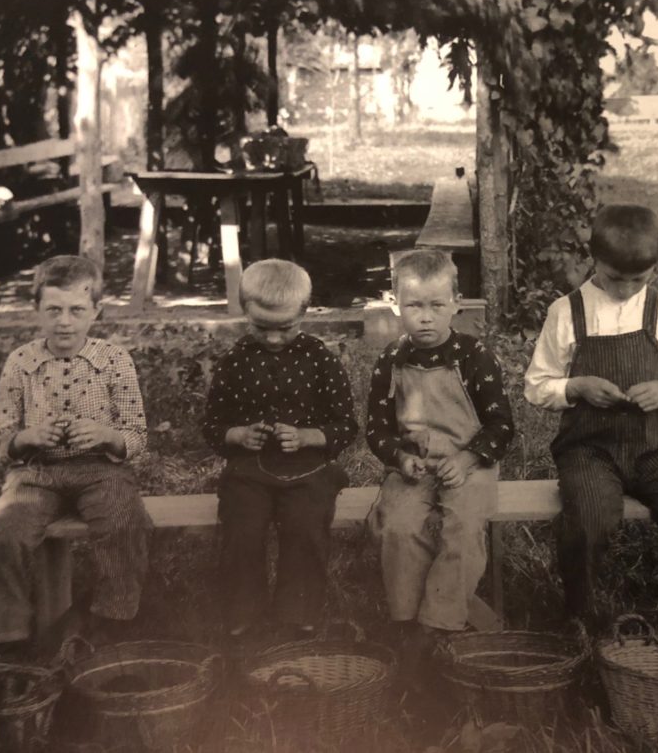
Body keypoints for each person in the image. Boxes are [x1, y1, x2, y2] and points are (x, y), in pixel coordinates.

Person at [524, 204, 658, 632]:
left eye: (640, 279)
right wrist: (575, 387)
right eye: (616, 278)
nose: (627, 289)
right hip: (590, 449)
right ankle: (581, 615)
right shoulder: (567, 311)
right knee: (590, 521)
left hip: (657, 446)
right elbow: (537, 384)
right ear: (593, 258)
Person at [0, 255, 151, 654]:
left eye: (77, 310)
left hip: (101, 470)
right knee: (4, 532)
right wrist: (26, 438)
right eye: (54, 310)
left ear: (95, 311)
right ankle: (8, 631)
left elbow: (136, 434)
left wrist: (106, 435)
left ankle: (113, 618)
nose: (64, 321)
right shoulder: (21, 362)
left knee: (124, 520)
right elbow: (0, 438)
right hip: (36, 473)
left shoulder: (114, 361)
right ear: (37, 310)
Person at [366, 249, 514, 660]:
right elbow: (376, 429)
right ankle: (406, 621)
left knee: (463, 527)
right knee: (396, 524)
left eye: (436, 305)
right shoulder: (391, 360)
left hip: (470, 463)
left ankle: (438, 625)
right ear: (395, 305)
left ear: (457, 305)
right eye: (414, 306)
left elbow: (502, 425)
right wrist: (398, 457)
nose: (425, 317)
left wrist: (468, 459)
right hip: (414, 465)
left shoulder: (473, 357)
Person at [202, 260, 356, 641]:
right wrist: (237, 435)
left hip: (308, 470)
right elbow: (212, 425)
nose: (272, 339)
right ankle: (243, 618)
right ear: (244, 312)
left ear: (304, 313)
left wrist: (308, 437)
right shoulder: (234, 362)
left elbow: (346, 424)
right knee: (242, 529)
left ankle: (297, 618)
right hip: (249, 470)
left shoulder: (321, 360)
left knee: (304, 527)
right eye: (260, 327)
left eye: (284, 328)